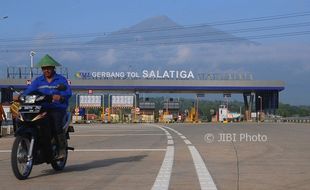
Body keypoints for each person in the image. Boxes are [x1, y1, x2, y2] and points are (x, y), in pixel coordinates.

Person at [22, 54, 72, 158]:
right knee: (25, 120)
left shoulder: (61, 80)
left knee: (56, 124)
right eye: (44, 68)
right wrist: (20, 97)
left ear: (53, 68)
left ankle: (61, 149)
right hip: (41, 107)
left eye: (49, 68)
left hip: (57, 108)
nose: (46, 70)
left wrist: (60, 96)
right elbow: (29, 91)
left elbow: (68, 92)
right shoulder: (38, 81)